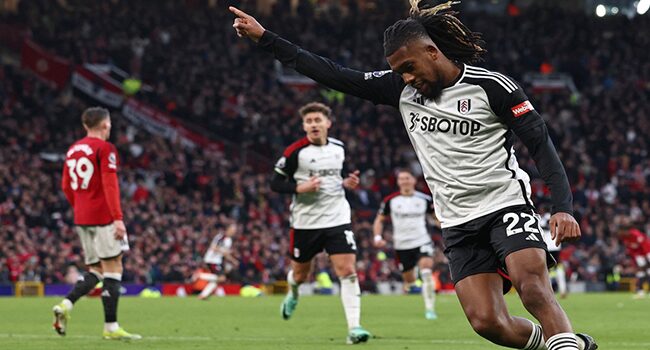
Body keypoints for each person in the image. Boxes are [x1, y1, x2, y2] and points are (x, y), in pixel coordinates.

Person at [230, 2, 598, 349]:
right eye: (398, 71)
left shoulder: (492, 87)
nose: (406, 77)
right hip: (456, 220)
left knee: (532, 287)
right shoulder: (401, 89)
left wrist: (562, 206)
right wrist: (266, 39)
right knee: (487, 321)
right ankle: (562, 341)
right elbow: (332, 73)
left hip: (504, 204)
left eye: (409, 67)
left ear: (432, 52)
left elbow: (540, 144)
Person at [269, 102, 370, 344]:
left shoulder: (339, 148)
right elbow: (275, 183)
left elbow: (339, 176)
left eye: (318, 120)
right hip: (305, 222)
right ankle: (293, 294)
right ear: (304, 126)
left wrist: (348, 183)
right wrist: (298, 187)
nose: (314, 124)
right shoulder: (295, 152)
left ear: (328, 123)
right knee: (300, 274)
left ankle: (354, 328)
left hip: (337, 217)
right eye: (309, 121)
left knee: (347, 271)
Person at [53, 107, 141, 340]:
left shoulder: (73, 150)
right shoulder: (105, 149)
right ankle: (111, 327)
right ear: (105, 125)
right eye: (109, 123)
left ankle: (66, 305)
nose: (110, 127)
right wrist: (118, 219)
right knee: (114, 268)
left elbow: (65, 185)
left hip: (82, 217)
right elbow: (110, 185)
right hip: (103, 217)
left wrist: (80, 206)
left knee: (97, 270)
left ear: (85, 126)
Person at [373, 169, 438, 319]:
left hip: (422, 240)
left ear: (414, 181)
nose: (404, 181)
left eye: (407, 178)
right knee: (410, 281)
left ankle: (430, 309)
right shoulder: (391, 201)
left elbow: (436, 218)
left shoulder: (425, 199)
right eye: (401, 179)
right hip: (402, 245)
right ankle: (413, 276)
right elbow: (379, 219)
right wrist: (377, 236)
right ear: (398, 182)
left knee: (427, 271)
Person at [194, 224, 238, 300]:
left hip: (217, 261)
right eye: (232, 230)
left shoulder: (229, 241)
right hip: (212, 259)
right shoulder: (221, 237)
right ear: (228, 229)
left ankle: (203, 295)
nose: (233, 232)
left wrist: (233, 261)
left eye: (235, 231)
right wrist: (224, 252)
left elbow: (225, 254)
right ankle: (200, 276)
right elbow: (213, 247)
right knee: (222, 278)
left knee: (217, 280)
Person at [617, 216, 650, 298]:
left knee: (646, 271)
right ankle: (640, 290)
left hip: (647, 252)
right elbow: (631, 250)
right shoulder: (624, 237)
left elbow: (645, 245)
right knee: (642, 272)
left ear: (625, 231)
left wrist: (648, 257)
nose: (619, 233)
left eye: (620, 231)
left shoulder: (635, 234)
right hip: (639, 256)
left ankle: (640, 290)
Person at [540, 207, 568, 298]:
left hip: (550, 246)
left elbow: (547, 226)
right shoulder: (556, 218)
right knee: (556, 268)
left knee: (547, 269)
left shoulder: (547, 218)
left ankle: (549, 291)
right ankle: (562, 289)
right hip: (555, 246)